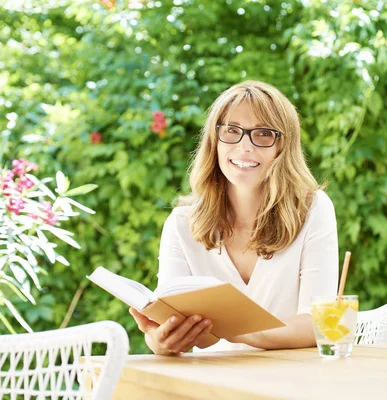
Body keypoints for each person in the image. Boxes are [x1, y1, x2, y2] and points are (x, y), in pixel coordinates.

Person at [130, 80, 338, 355]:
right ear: (214, 141)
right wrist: (160, 342)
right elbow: (183, 330)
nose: (245, 146)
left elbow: (319, 324)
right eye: (231, 131)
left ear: (282, 146)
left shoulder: (313, 209)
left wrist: (240, 328)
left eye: (263, 134)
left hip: (292, 384)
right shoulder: (181, 225)